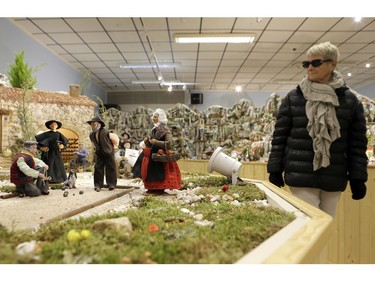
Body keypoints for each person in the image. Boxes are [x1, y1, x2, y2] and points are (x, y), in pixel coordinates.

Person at [267, 41, 368, 217]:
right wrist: (275, 168)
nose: (309, 68)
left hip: (334, 174)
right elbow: (280, 137)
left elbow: (357, 143)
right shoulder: (294, 98)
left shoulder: (349, 101)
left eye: (316, 63)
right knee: (308, 223)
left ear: (333, 64)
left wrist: (358, 176)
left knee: (326, 225)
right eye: (306, 64)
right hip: (301, 174)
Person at [133, 108, 181, 193]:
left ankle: (159, 188)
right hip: (152, 153)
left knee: (159, 172)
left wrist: (156, 142)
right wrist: (147, 141)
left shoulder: (166, 130)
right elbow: (151, 143)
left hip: (160, 154)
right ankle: (151, 188)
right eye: (153, 117)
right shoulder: (154, 129)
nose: (153, 118)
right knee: (149, 171)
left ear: (160, 118)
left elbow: (169, 143)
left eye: (155, 117)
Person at [86, 116, 119, 191]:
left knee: (111, 168)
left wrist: (115, 147)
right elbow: (94, 143)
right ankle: (98, 184)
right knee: (98, 168)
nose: (93, 125)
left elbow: (115, 139)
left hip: (108, 152)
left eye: (94, 124)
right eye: (92, 124)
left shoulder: (107, 132)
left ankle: (111, 184)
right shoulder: (92, 135)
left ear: (99, 124)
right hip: (99, 153)